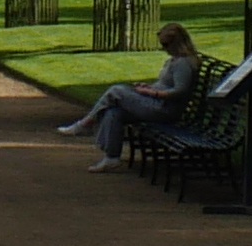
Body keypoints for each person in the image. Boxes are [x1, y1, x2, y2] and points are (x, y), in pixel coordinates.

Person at [64, 24, 205, 164]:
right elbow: (165, 85)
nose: (164, 48)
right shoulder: (174, 60)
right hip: (158, 104)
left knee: (116, 91)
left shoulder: (183, 64)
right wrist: (149, 87)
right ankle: (111, 157)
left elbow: (180, 91)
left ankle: (84, 124)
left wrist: (153, 93)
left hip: (164, 109)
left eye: (166, 44)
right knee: (115, 112)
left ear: (178, 42)